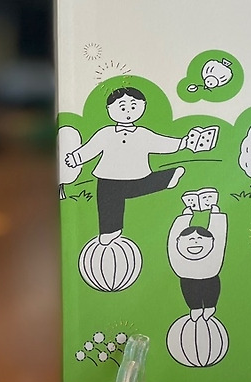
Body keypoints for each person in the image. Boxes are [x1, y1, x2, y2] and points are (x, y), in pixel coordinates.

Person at [64, 87, 186, 243]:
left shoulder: (143, 134)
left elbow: (161, 143)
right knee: (108, 200)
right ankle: (110, 230)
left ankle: (167, 178)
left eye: (133, 107)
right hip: (108, 176)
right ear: (109, 109)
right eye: (122, 108)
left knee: (139, 186)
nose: (128, 112)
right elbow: (91, 147)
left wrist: (183, 143)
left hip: (137, 174)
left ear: (143, 106)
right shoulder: (106, 133)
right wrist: (76, 158)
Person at [166, 194, 227, 321]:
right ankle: (195, 307)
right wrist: (186, 216)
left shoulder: (213, 251)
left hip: (210, 277)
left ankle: (210, 306)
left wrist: (215, 213)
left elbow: (218, 232)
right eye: (191, 239)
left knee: (211, 289)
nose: (195, 242)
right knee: (190, 291)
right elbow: (174, 234)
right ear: (179, 241)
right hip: (187, 279)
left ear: (211, 240)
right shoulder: (178, 253)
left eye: (199, 238)